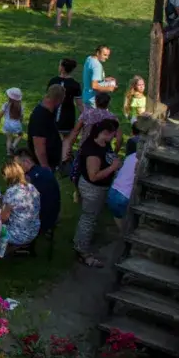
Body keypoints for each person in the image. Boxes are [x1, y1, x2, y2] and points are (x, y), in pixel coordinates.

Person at [74, 118, 122, 267]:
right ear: (104, 133)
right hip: (92, 189)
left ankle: (79, 241)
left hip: (100, 189)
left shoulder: (104, 144)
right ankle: (82, 251)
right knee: (88, 219)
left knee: (90, 217)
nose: (114, 137)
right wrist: (113, 167)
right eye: (112, 134)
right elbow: (93, 176)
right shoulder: (92, 152)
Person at [15, 147, 61, 241]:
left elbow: (20, 203)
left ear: (27, 162)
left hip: (40, 221)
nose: (17, 169)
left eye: (18, 165)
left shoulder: (29, 179)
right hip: (53, 215)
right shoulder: (46, 171)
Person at [0, 157, 41, 254]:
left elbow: (3, 218)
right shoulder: (31, 187)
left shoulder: (11, 193)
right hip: (33, 229)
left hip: (18, 235)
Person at [28, 84, 66, 174]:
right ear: (57, 100)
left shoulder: (49, 111)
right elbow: (39, 147)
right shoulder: (41, 117)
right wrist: (45, 168)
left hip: (51, 161)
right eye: (62, 100)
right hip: (43, 166)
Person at [47, 58, 83, 144]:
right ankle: (65, 155)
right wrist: (86, 115)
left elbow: (48, 98)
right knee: (66, 140)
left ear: (62, 68)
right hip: (68, 115)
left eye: (59, 65)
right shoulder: (75, 84)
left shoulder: (53, 81)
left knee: (52, 138)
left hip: (53, 114)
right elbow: (79, 104)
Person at [106, 138, 140, 225]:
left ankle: (123, 234)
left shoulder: (130, 156)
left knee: (118, 218)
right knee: (130, 224)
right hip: (125, 196)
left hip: (112, 192)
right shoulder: (141, 162)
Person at [0, 87, 25, 153]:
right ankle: (14, 146)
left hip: (7, 124)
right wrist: (20, 122)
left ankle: (9, 152)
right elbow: (21, 117)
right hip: (16, 124)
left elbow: (1, 114)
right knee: (20, 135)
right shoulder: (21, 106)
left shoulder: (6, 105)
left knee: (9, 138)